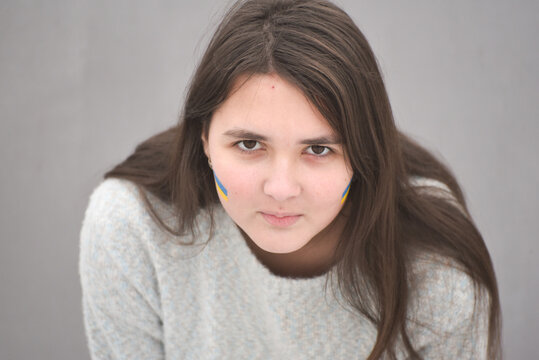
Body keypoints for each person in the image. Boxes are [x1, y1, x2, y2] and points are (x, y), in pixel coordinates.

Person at [79, 0, 501, 359]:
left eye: (318, 150)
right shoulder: (132, 224)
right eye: (248, 144)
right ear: (204, 137)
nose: (281, 189)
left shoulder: (435, 271)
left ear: (363, 153)